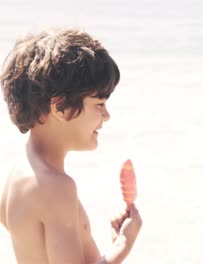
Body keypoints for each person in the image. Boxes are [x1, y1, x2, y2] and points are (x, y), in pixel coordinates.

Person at [0, 28, 142, 263]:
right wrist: (125, 245)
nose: (106, 116)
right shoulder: (57, 187)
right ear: (61, 107)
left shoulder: (17, 176)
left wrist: (114, 244)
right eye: (99, 104)